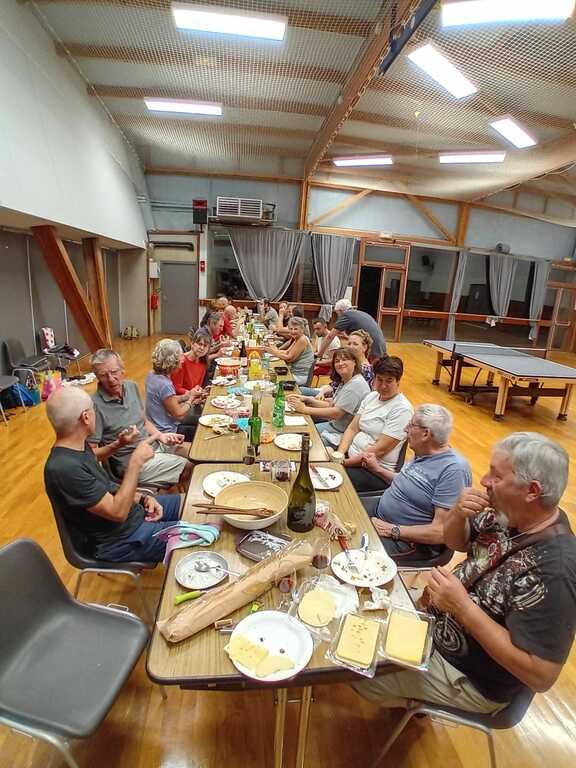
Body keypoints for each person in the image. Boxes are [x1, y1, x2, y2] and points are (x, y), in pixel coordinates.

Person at [354, 432, 576, 716]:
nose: (484, 481)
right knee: (360, 608)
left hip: (470, 675)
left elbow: (541, 676)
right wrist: (457, 515)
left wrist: (461, 607)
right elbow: (456, 542)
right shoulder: (508, 513)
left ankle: (414, 703)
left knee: (356, 669)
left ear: (532, 491)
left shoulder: (555, 571)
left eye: (496, 476)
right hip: (437, 617)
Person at [44, 387, 183, 563]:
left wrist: (142, 498)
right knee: (203, 533)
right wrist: (135, 462)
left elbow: (105, 487)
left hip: (134, 517)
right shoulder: (64, 469)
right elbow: (118, 513)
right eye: (93, 410)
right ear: (86, 417)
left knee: (190, 503)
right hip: (120, 541)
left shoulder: (76, 447)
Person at [363, 404, 471, 562]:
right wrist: (378, 469)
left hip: (407, 540)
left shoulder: (453, 470)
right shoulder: (422, 452)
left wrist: (393, 530)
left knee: (347, 546)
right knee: (337, 511)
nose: (405, 429)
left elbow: (441, 531)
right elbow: (407, 483)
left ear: (426, 434)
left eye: (411, 425)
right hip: (381, 515)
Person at [89, 348, 191, 488]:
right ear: (96, 376)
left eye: (114, 372)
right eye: (103, 375)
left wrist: (160, 436)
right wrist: (119, 444)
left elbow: (143, 420)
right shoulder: (94, 406)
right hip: (133, 462)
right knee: (190, 467)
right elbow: (91, 454)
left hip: (152, 445)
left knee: (195, 453)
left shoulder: (131, 386)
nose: (111, 379)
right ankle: (177, 498)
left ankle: (172, 492)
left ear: (122, 369)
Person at [336, 356, 413, 493]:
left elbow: (379, 450)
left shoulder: (402, 410)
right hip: (351, 458)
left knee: (328, 477)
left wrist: (342, 463)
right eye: (380, 379)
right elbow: (352, 428)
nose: (383, 386)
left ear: (398, 380)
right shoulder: (371, 397)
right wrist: (340, 454)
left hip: (373, 471)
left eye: (389, 381)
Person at [286, 348, 370, 447]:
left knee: (298, 435)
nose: (340, 363)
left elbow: (336, 413)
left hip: (341, 432)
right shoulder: (346, 380)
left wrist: (304, 409)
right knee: (294, 425)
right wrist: (308, 400)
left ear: (354, 362)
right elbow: (332, 405)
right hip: (334, 425)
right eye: (337, 361)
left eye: (345, 359)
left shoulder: (355, 385)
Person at [145, 339, 205, 442]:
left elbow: (167, 400)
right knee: (204, 427)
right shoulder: (165, 384)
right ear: (171, 361)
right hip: (167, 432)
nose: (182, 360)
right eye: (180, 357)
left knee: (201, 420)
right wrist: (191, 399)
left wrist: (188, 395)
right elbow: (179, 415)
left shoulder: (152, 375)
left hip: (156, 428)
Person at [318, 298, 386, 360]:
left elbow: (330, 336)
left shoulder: (346, 315)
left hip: (372, 351)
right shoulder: (358, 313)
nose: (338, 316)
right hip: (381, 348)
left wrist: (319, 354)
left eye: (337, 313)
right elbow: (362, 336)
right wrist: (346, 336)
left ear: (340, 311)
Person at [261, 317, 315, 386]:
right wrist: (272, 350)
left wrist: (273, 352)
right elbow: (286, 352)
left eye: (295, 329)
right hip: (294, 371)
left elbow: (289, 358)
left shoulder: (302, 340)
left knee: (271, 379)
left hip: (300, 375)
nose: (293, 331)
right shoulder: (297, 338)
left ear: (302, 330)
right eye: (291, 329)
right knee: (269, 372)